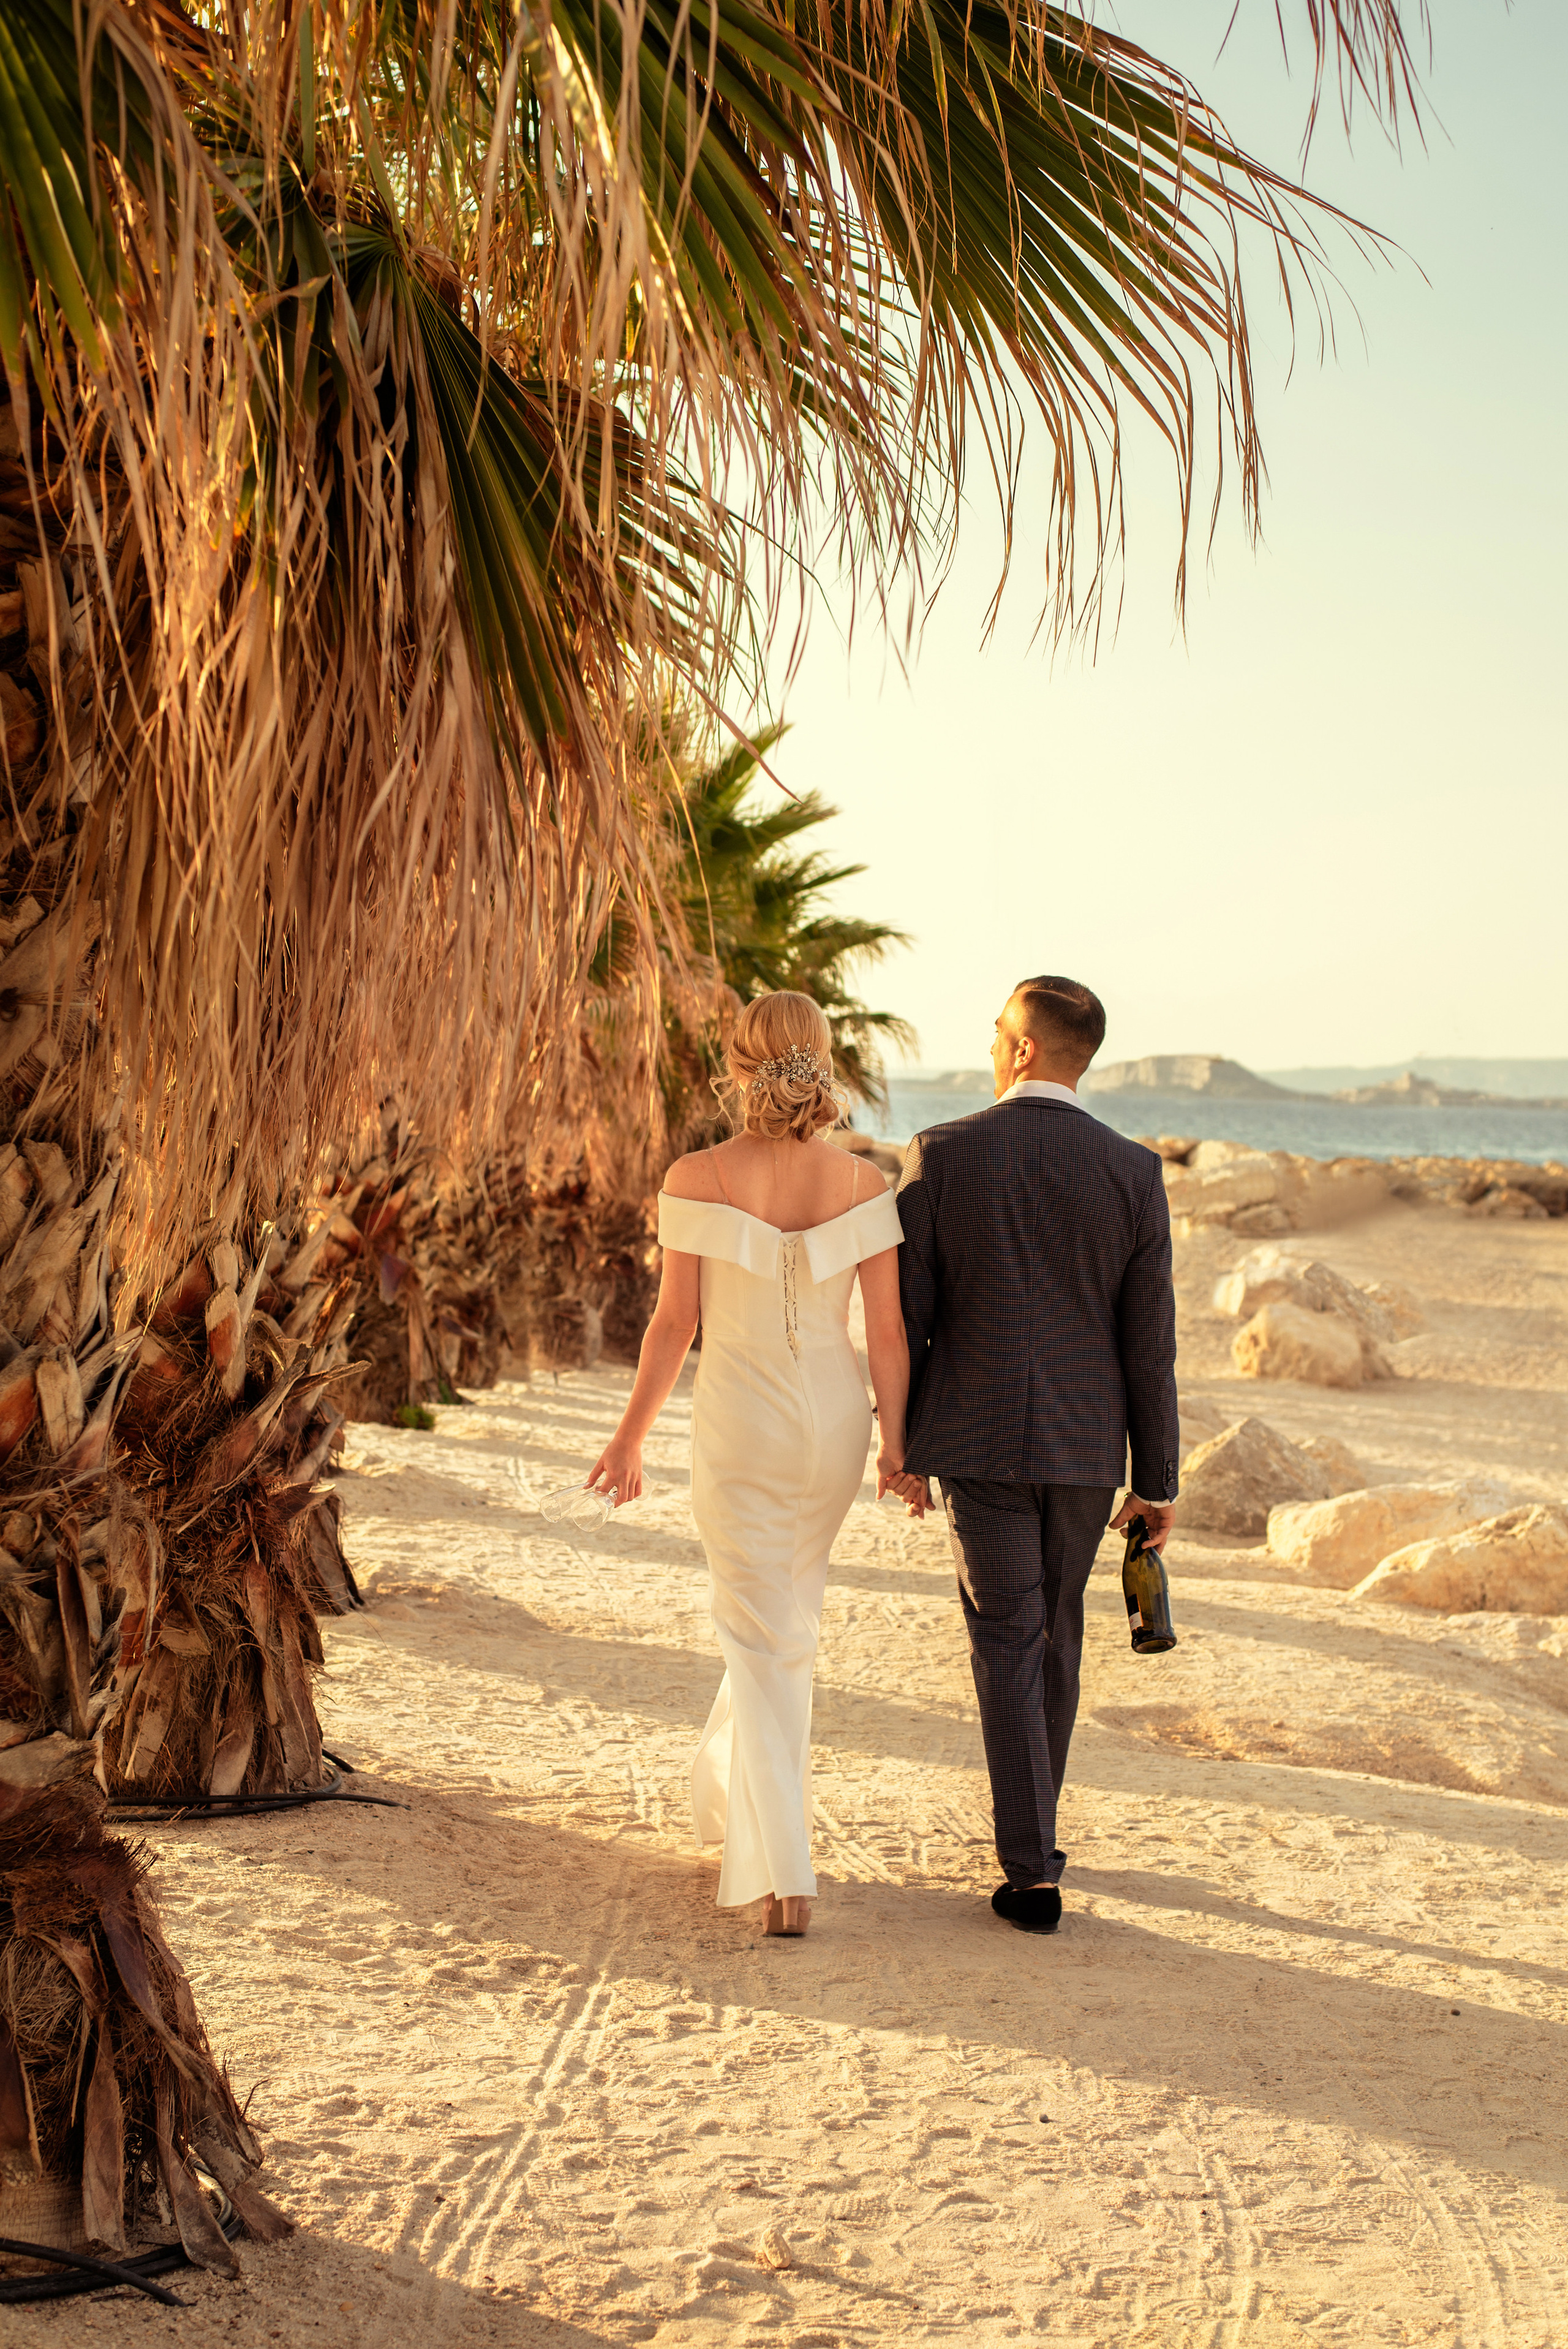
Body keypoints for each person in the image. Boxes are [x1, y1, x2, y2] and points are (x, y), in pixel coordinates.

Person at [586, 991, 907, 1939]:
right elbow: (883, 1333)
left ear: (738, 1066)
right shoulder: (866, 1186)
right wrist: (897, 1445)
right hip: (837, 1426)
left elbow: (675, 1323)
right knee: (786, 1622)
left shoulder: (695, 1176)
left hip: (741, 1421)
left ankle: (785, 1873)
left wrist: (631, 1433)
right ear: (820, 1062)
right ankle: (737, 1807)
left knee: (756, 1626)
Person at [889, 975, 1178, 1936]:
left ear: (1020, 1048)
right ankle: (1036, 1844)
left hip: (975, 1437)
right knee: (1052, 1628)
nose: (989, 1044)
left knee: (1007, 1635)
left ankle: (1032, 1865)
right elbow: (1150, 1341)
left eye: (997, 1032)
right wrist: (1158, 1480)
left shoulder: (940, 1153)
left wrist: (902, 1444)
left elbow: (909, 1317)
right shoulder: (1134, 1172)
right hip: (1088, 1445)